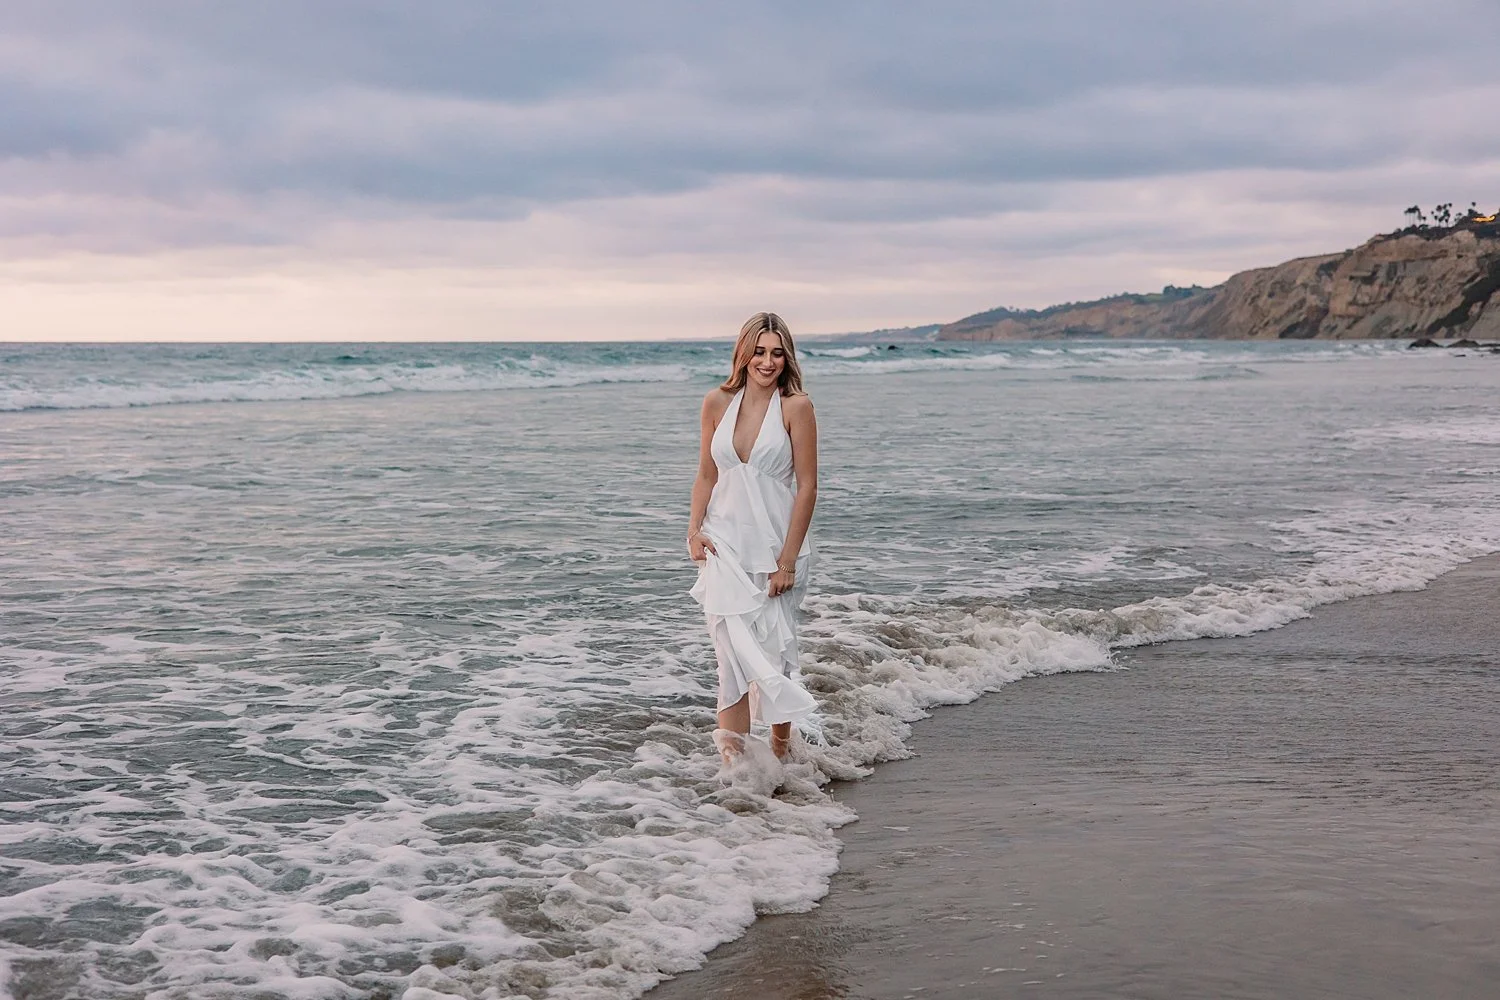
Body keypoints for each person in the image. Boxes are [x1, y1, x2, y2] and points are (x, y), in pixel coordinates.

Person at [687, 311, 820, 766]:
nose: (768, 362)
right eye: (759, 352)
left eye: (777, 353)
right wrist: (693, 531)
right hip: (723, 546)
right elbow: (707, 474)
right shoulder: (716, 403)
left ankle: (782, 757)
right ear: (743, 353)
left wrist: (786, 562)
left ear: (788, 357)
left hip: (775, 549)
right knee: (731, 663)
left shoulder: (796, 407)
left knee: (774, 656)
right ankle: (738, 781)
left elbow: (808, 487)